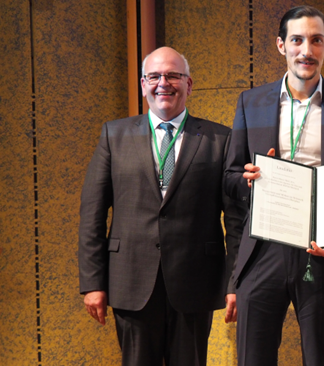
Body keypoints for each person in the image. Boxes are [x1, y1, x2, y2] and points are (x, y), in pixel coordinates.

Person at [224, 6, 324, 366]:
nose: (306, 50)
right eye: (297, 40)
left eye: (315, 40)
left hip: (321, 250)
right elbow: (229, 177)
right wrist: (248, 181)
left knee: (322, 359)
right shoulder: (251, 101)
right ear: (281, 46)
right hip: (262, 249)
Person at [78, 46, 245, 366]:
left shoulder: (220, 139)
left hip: (195, 282)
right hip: (130, 281)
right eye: (154, 76)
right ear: (143, 84)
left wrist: (234, 282)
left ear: (189, 84)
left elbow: (236, 219)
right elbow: (92, 214)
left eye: (173, 75)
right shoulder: (114, 135)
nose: (163, 83)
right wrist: (92, 282)